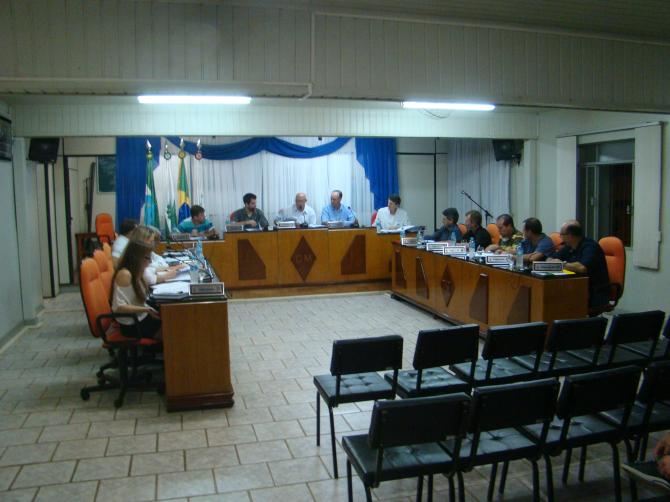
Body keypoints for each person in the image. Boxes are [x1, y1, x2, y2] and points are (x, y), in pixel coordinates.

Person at [547, 220, 610, 308]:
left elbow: (582, 268)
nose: (560, 237)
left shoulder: (590, 247)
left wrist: (561, 264)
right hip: (574, 286)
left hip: (593, 291)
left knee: (557, 299)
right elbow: (551, 258)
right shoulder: (569, 246)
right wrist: (551, 260)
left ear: (570, 235)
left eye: (562, 234)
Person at [111, 238, 162, 340]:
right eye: (148, 258)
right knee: (171, 327)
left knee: (171, 318)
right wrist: (146, 309)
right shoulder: (125, 274)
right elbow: (118, 307)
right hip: (132, 323)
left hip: (140, 316)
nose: (150, 261)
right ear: (137, 257)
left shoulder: (137, 271)